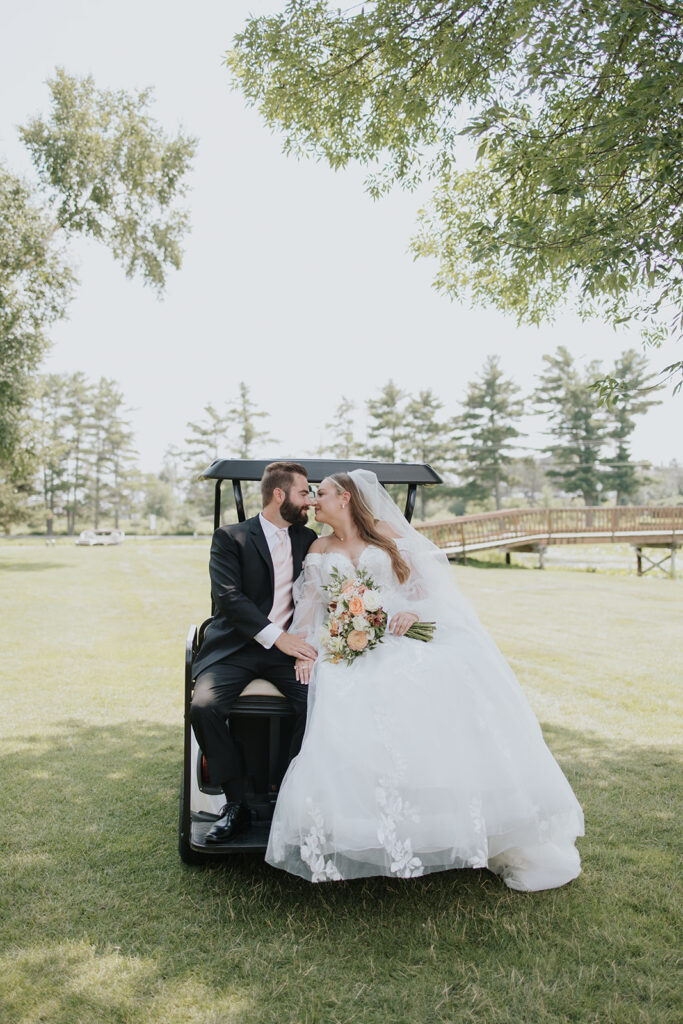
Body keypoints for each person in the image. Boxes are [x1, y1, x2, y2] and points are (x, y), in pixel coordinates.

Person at [266, 470, 585, 890]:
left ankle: (450, 815)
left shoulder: (385, 532)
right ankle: (362, 823)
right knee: (349, 694)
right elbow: (310, 607)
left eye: (319, 494)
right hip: (344, 645)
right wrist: (305, 651)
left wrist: (411, 613)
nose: (312, 503)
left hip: (396, 636)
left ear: (344, 498)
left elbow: (425, 589)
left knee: (438, 678)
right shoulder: (318, 547)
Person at [191, 461, 318, 843]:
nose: (308, 501)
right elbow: (228, 598)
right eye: (303, 493)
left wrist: (294, 644)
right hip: (236, 647)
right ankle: (237, 803)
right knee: (204, 706)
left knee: (319, 702)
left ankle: (287, 794)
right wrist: (276, 637)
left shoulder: (307, 538)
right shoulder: (231, 537)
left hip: (288, 650)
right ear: (279, 495)